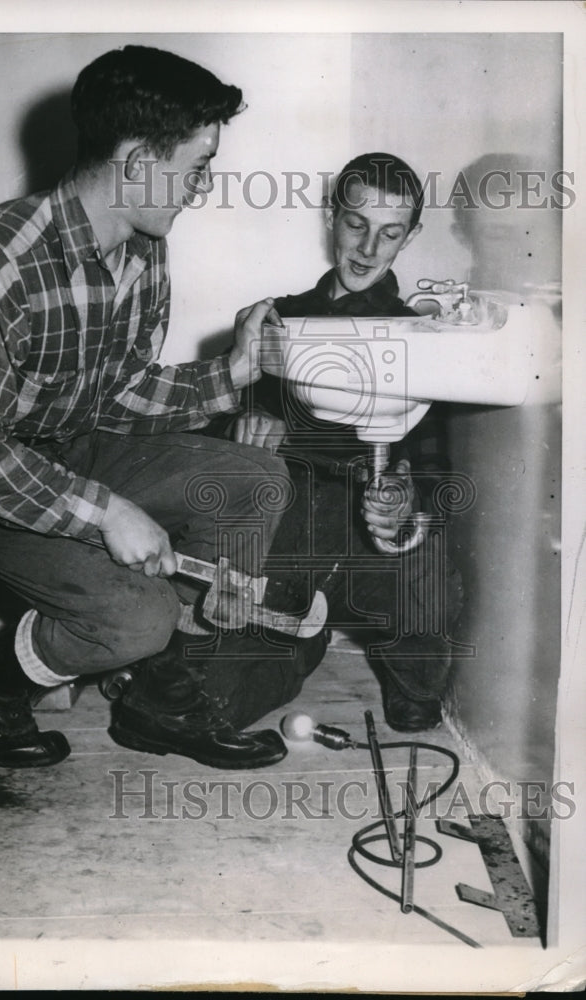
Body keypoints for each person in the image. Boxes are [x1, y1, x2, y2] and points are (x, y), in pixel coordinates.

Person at [0, 45, 302, 771]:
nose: (201, 187)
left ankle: (162, 701)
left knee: (257, 480)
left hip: (66, 449)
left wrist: (230, 373)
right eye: (196, 167)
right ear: (137, 162)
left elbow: (123, 390)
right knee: (136, 615)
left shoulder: (141, 248)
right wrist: (104, 511)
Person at [203, 152, 464, 732]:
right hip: (288, 533)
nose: (369, 249)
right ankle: (293, 640)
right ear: (330, 215)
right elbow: (211, 424)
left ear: (410, 236)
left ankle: (407, 675)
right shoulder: (279, 322)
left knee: (424, 546)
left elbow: (437, 465)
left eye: (389, 233)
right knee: (217, 703)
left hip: (370, 539)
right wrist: (242, 431)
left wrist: (406, 498)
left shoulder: (426, 340)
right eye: (356, 225)